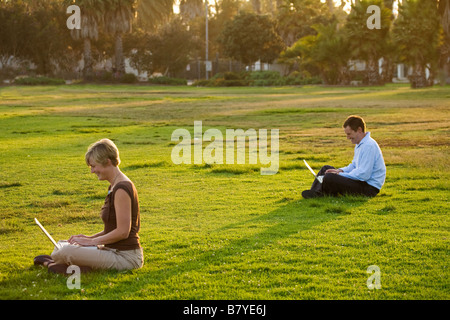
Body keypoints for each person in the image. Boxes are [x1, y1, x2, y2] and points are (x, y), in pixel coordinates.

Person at [34, 139, 144, 274]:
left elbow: (122, 232)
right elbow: (112, 229)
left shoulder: (122, 188)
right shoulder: (114, 186)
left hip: (126, 257)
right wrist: (88, 238)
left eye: (94, 166)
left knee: (64, 252)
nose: (92, 171)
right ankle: (71, 266)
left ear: (107, 162)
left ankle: (52, 264)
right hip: (111, 250)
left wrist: (92, 242)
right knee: (63, 245)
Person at [302, 115, 386, 199]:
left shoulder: (368, 145)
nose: (347, 137)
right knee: (326, 169)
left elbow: (363, 174)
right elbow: (354, 165)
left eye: (349, 134)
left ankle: (321, 194)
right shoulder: (360, 144)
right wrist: (339, 170)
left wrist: (340, 174)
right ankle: (316, 192)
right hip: (361, 183)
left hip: (368, 188)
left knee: (330, 177)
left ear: (359, 130)